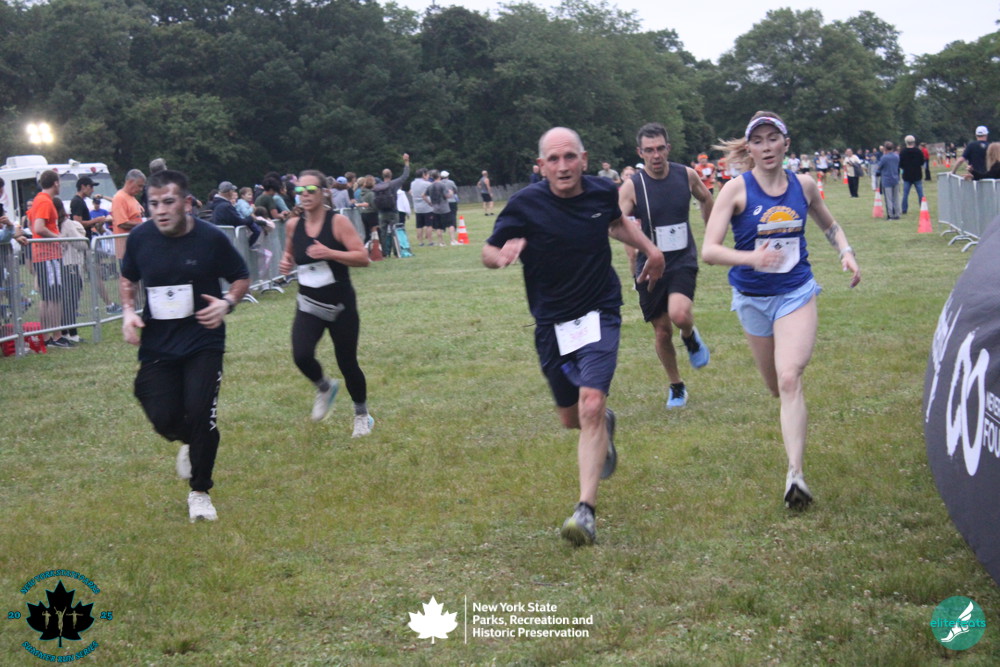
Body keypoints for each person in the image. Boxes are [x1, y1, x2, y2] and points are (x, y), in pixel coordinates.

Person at [482, 126, 665, 546]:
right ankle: (602, 425)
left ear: (583, 159)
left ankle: (585, 511)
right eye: (554, 159)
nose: (563, 166)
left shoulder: (601, 192)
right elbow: (488, 250)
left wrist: (651, 250)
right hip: (551, 323)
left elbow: (616, 223)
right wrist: (501, 256)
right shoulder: (525, 205)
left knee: (591, 403)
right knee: (572, 419)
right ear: (541, 166)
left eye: (570, 157)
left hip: (599, 311)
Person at [701, 111, 861, 510]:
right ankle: (794, 461)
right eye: (758, 141)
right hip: (752, 298)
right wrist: (751, 258)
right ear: (749, 149)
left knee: (790, 378)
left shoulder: (803, 185)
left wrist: (845, 252)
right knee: (775, 386)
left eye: (773, 138)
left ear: (785, 143)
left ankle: (796, 475)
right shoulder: (736, 190)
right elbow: (709, 250)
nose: (766, 147)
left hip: (795, 292)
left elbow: (830, 225)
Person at [119, 169, 249, 522]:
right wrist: (128, 311)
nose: (160, 211)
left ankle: (200, 491)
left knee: (201, 410)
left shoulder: (210, 238)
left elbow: (241, 276)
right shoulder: (140, 238)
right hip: (159, 342)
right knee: (160, 413)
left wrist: (227, 303)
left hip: (203, 338)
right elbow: (128, 277)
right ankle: (190, 441)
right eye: (153, 204)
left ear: (187, 203)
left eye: (168, 202)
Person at [618, 122, 714, 408]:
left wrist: (711, 233)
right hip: (649, 265)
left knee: (680, 315)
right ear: (640, 153)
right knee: (661, 330)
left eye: (660, 148)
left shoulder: (686, 175)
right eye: (649, 150)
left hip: (682, 259)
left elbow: (706, 198)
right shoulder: (632, 186)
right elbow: (616, 223)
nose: (656, 155)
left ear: (668, 148)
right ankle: (676, 386)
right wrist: (636, 251)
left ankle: (690, 336)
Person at [278, 170, 374, 437]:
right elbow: (289, 254)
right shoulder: (293, 225)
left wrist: (329, 252)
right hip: (308, 303)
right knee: (301, 355)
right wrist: (286, 263)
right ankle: (324, 386)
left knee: (347, 362)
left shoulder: (337, 222)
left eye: (311, 190)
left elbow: (363, 258)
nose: (305, 195)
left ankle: (362, 415)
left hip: (340, 305)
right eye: (300, 191)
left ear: (324, 192)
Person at [28, 170, 72, 348]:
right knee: (54, 296)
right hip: (48, 256)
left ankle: (47, 337)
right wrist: (58, 238)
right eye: (59, 182)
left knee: (47, 297)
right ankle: (56, 336)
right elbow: (39, 227)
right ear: (55, 183)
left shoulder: (39, 200)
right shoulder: (45, 201)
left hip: (44, 255)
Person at [899, 135, 925, 215]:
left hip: (907, 175)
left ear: (906, 142)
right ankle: (923, 207)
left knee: (905, 194)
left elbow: (900, 164)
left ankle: (904, 209)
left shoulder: (903, 152)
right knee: (920, 193)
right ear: (914, 142)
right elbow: (922, 162)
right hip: (917, 174)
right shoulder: (918, 151)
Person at [876, 142, 901, 219]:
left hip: (886, 179)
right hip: (895, 178)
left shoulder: (884, 157)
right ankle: (897, 214)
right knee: (896, 197)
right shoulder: (896, 156)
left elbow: (879, 167)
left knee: (888, 198)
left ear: (885, 148)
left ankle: (890, 215)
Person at [410, 169, 433, 246]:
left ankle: (420, 242)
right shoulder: (427, 184)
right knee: (429, 225)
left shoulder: (412, 183)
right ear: (423, 175)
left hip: (417, 208)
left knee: (419, 226)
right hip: (427, 207)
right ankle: (430, 241)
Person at [440, 170, 460, 244]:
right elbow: (455, 190)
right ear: (447, 176)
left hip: (442, 202)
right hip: (451, 201)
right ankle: (453, 228)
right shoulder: (451, 182)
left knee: (443, 216)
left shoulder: (439, 183)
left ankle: (443, 228)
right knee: (452, 216)